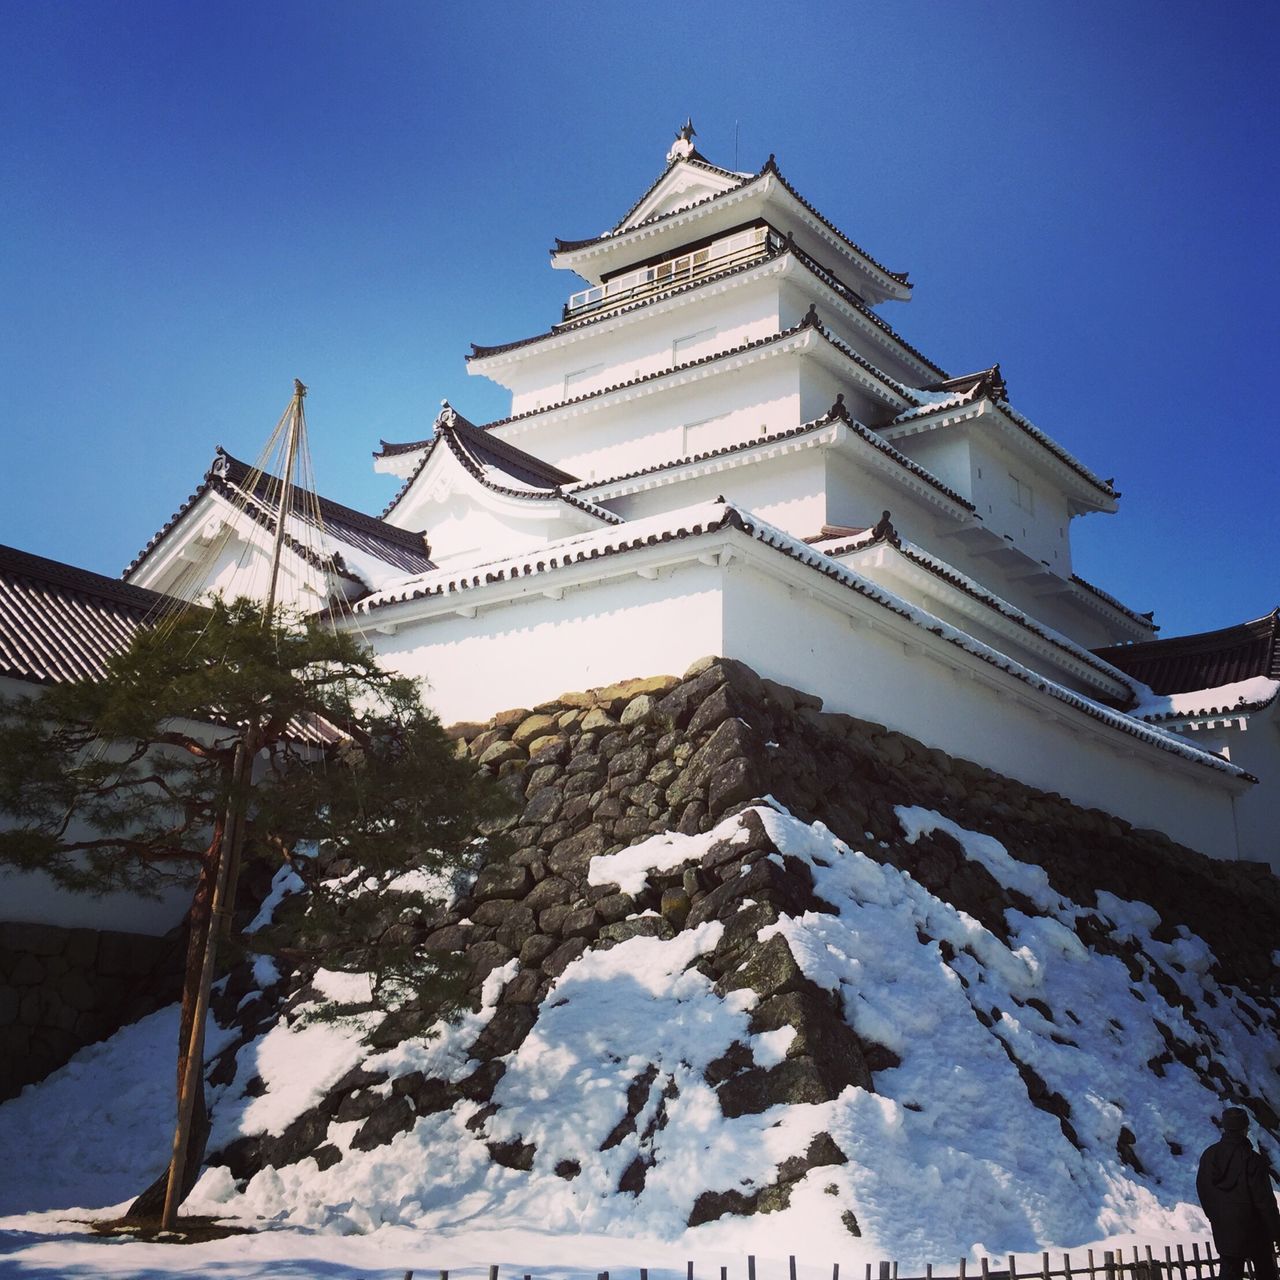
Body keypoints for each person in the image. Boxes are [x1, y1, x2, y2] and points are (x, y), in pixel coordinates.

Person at [1197, 1107, 1280, 1280]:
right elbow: (1264, 1201)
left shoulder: (1209, 1156)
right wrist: (1276, 1232)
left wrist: (1216, 1217)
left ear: (1225, 1127)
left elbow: (1203, 1191)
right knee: (1266, 1272)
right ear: (1245, 1129)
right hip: (1256, 1231)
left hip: (1225, 1228)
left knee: (1229, 1272)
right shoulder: (1253, 1160)